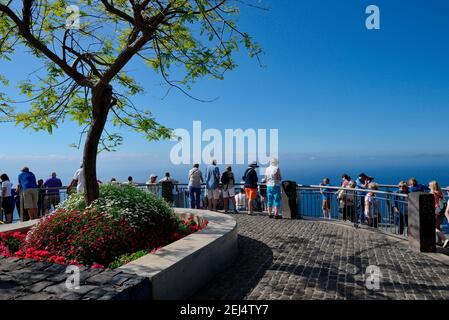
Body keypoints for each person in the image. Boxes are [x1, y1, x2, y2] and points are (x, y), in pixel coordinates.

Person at [429, 181, 449, 248]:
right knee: (438, 226)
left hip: (436, 212)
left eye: (429, 186)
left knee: (432, 227)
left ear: (432, 186)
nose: (429, 187)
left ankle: (445, 239)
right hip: (441, 212)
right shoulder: (440, 193)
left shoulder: (433, 193)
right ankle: (440, 241)